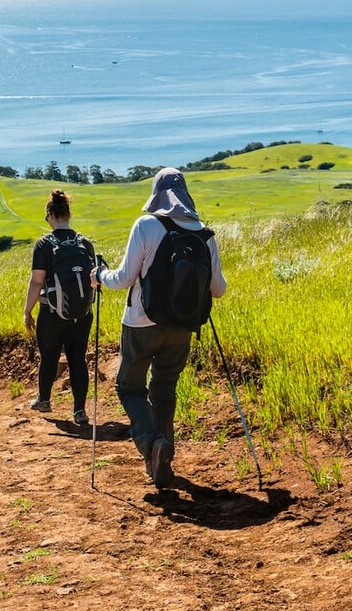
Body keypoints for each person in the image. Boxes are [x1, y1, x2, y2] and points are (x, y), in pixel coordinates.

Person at [92, 168, 226, 488]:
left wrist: (100, 276)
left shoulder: (146, 226)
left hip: (141, 323)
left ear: (156, 193)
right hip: (182, 326)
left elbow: (124, 279)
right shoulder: (204, 234)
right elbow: (218, 289)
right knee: (164, 387)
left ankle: (152, 445)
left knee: (129, 387)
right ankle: (162, 460)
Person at [24, 189, 96, 425]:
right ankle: (79, 411)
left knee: (50, 356)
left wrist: (27, 311)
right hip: (82, 314)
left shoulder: (44, 244)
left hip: (52, 313)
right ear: (68, 214)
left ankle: (44, 400)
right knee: (78, 359)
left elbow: (37, 281)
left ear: (50, 215)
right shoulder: (85, 243)